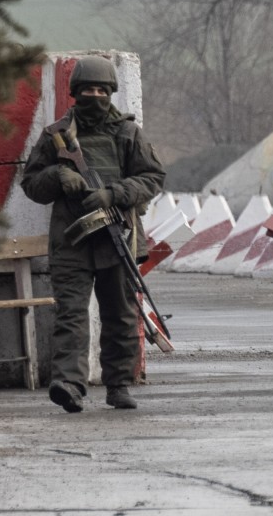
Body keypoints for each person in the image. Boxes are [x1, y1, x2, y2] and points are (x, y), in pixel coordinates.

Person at [21, 55, 165, 413]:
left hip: (118, 234)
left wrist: (113, 194)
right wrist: (58, 176)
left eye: (102, 90)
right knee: (71, 314)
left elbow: (153, 178)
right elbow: (31, 184)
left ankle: (118, 384)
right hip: (72, 239)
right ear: (75, 92)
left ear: (112, 92)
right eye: (87, 89)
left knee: (120, 313)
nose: (95, 95)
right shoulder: (56, 136)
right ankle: (69, 383)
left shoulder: (128, 133)